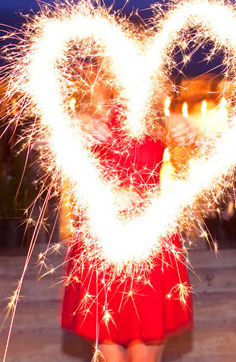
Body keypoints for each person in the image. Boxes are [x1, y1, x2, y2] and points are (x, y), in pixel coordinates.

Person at [61, 66, 195, 362]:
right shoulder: (90, 121)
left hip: (149, 248)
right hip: (102, 248)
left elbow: (195, 164)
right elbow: (65, 166)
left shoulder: (162, 121)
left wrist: (192, 131)